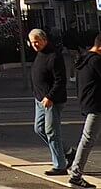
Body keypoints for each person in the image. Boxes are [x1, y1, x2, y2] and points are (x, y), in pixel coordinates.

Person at [29, 28, 68, 176]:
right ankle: (68, 152)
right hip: (40, 99)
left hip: (52, 100)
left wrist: (50, 97)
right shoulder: (41, 54)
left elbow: (60, 80)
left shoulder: (54, 55)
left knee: (52, 132)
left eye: (37, 42)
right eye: (32, 43)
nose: (34, 45)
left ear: (44, 40)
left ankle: (60, 165)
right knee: (39, 129)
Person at [67, 34, 101, 187]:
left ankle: (75, 173)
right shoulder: (96, 61)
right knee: (87, 140)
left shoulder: (84, 60)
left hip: (89, 104)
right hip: (97, 105)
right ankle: (75, 174)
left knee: (87, 139)